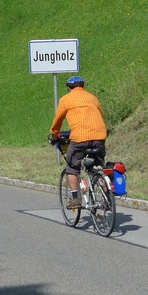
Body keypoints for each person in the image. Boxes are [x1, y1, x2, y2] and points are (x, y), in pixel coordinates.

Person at [50, 75, 107, 209]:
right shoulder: (92, 97)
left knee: (72, 167)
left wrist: (54, 134)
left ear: (69, 88)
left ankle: (75, 198)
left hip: (79, 138)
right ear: (82, 87)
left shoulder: (65, 99)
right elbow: (100, 114)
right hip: (99, 135)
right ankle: (106, 191)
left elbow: (58, 119)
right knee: (99, 166)